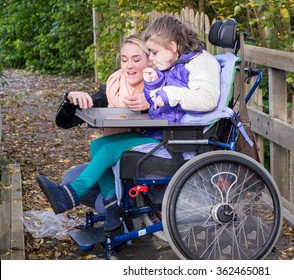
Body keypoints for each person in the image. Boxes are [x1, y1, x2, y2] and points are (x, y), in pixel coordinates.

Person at [36, 14, 221, 232]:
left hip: (175, 143)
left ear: (172, 46)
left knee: (105, 153)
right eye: (124, 60)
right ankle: (112, 207)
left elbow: (203, 99)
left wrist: (156, 95)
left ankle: (71, 196)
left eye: (145, 56)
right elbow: (67, 120)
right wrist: (72, 98)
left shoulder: (191, 64)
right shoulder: (121, 83)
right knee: (97, 146)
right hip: (159, 138)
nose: (147, 62)